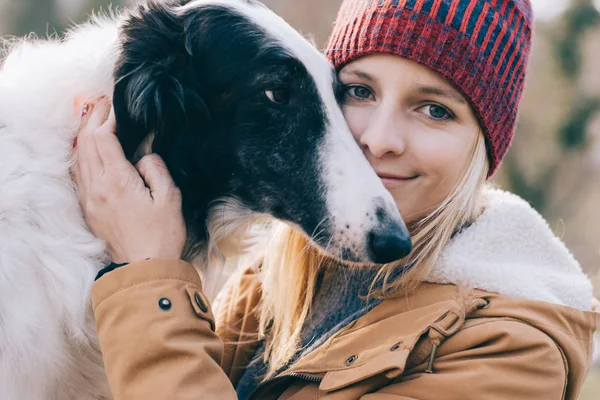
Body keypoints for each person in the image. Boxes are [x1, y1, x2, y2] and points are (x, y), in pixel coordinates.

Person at [73, 0, 599, 399]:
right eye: (360, 92)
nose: (378, 138)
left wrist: (149, 276)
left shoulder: (515, 353)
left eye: (435, 110)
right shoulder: (271, 284)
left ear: (483, 148)